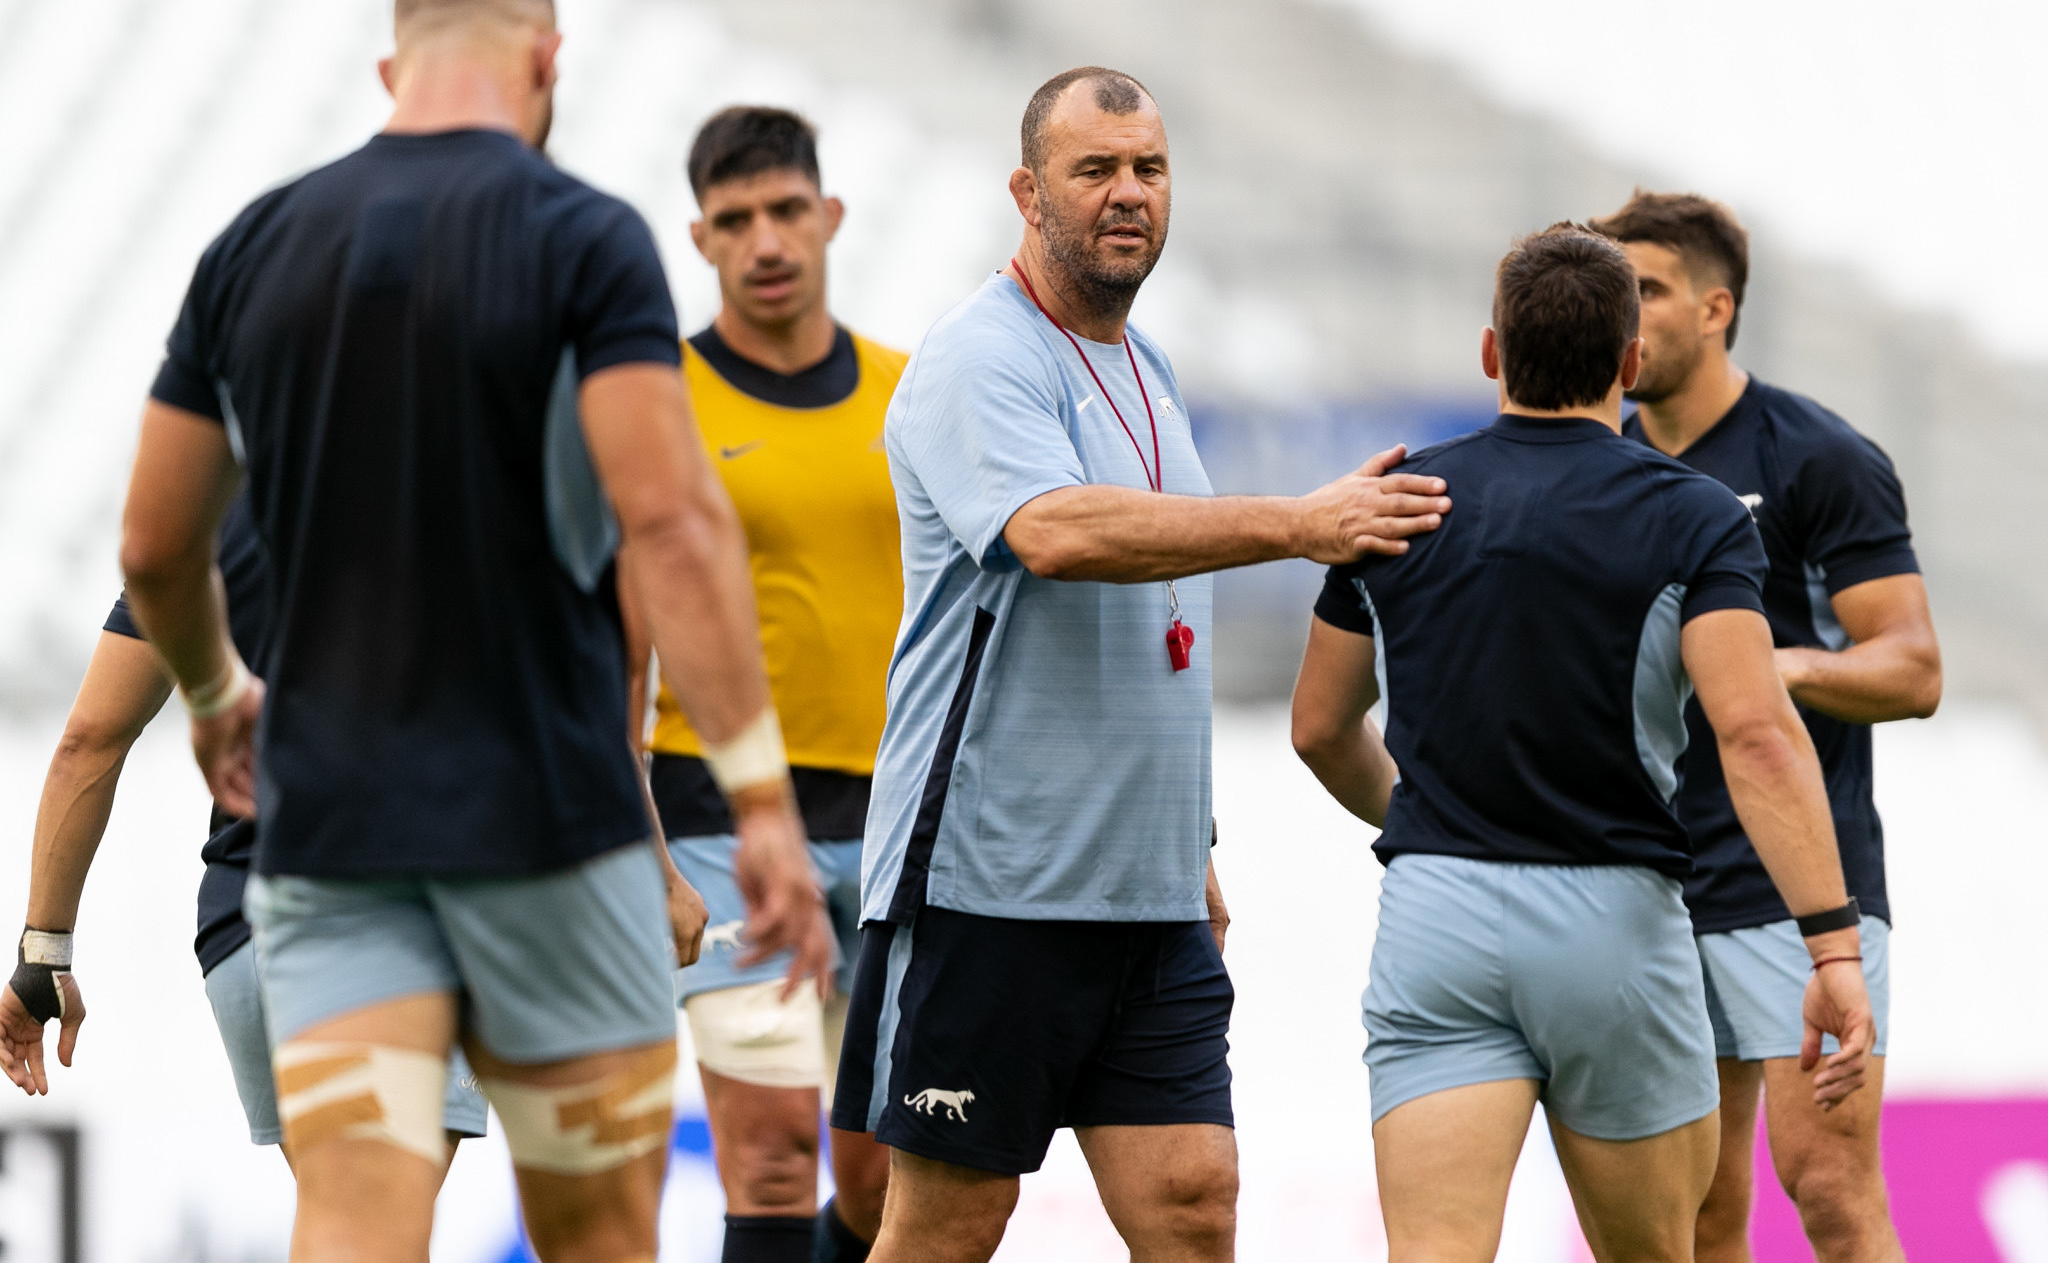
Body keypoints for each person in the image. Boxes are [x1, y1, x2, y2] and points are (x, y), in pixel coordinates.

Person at [113, 0, 824, 1261]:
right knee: (594, 1233)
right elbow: (672, 524)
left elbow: (154, 544)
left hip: (332, 850)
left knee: (359, 1219)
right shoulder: (583, 237)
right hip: (551, 838)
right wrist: (763, 803)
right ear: (547, 59)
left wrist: (215, 692)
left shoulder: (253, 246)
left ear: (393, 66)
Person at [828, 65, 1453, 1263]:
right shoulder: (976, 357)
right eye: (1095, 170)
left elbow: (1157, 624)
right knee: (946, 1228)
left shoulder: (1148, 367)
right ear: (1026, 190)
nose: (1128, 194)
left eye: (1149, 170)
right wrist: (1298, 522)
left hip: (1146, 892)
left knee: (1191, 1198)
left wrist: (1192, 846)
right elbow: (1056, 534)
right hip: (988, 886)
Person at [1290, 223, 1876, 1263]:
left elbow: (1319, 727)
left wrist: (1419, 818)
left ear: (1489, 354)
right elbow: (1753, 736)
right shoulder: (1693, 516)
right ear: (1628, 363)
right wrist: (1829, 945)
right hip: (1612, 924)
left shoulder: (1397, 498)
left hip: (1437, 918)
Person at [1594, 191, 1939, 1263]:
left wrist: (1762, 668)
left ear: (1714, 307)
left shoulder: (1814, 455)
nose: (1624, 318)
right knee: (1691, 1211)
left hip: (1790, 884)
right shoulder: (1589, 458)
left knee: (1829, 1189)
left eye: (1645, 291)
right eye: (1611, 295)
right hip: (1641, 880)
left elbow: (1912, 665)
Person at [0, 493, 489, 1203]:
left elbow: (88, 741)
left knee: (348, 1222)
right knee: (372, 1226)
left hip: (247, 935)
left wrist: (41, 955)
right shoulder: (450, 471)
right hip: (400, 921)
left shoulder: (209, 516)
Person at [623, 106, 901, 1263]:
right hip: (718, 830)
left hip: (898, 832)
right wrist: (648, 853)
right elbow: (613, 642)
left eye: (786, 210)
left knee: (890, 1181)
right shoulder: (656, 406)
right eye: (734, 221)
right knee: (775, 1148)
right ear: (699, 240)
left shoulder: (910, 394)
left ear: (829, 215)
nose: (766, 241)